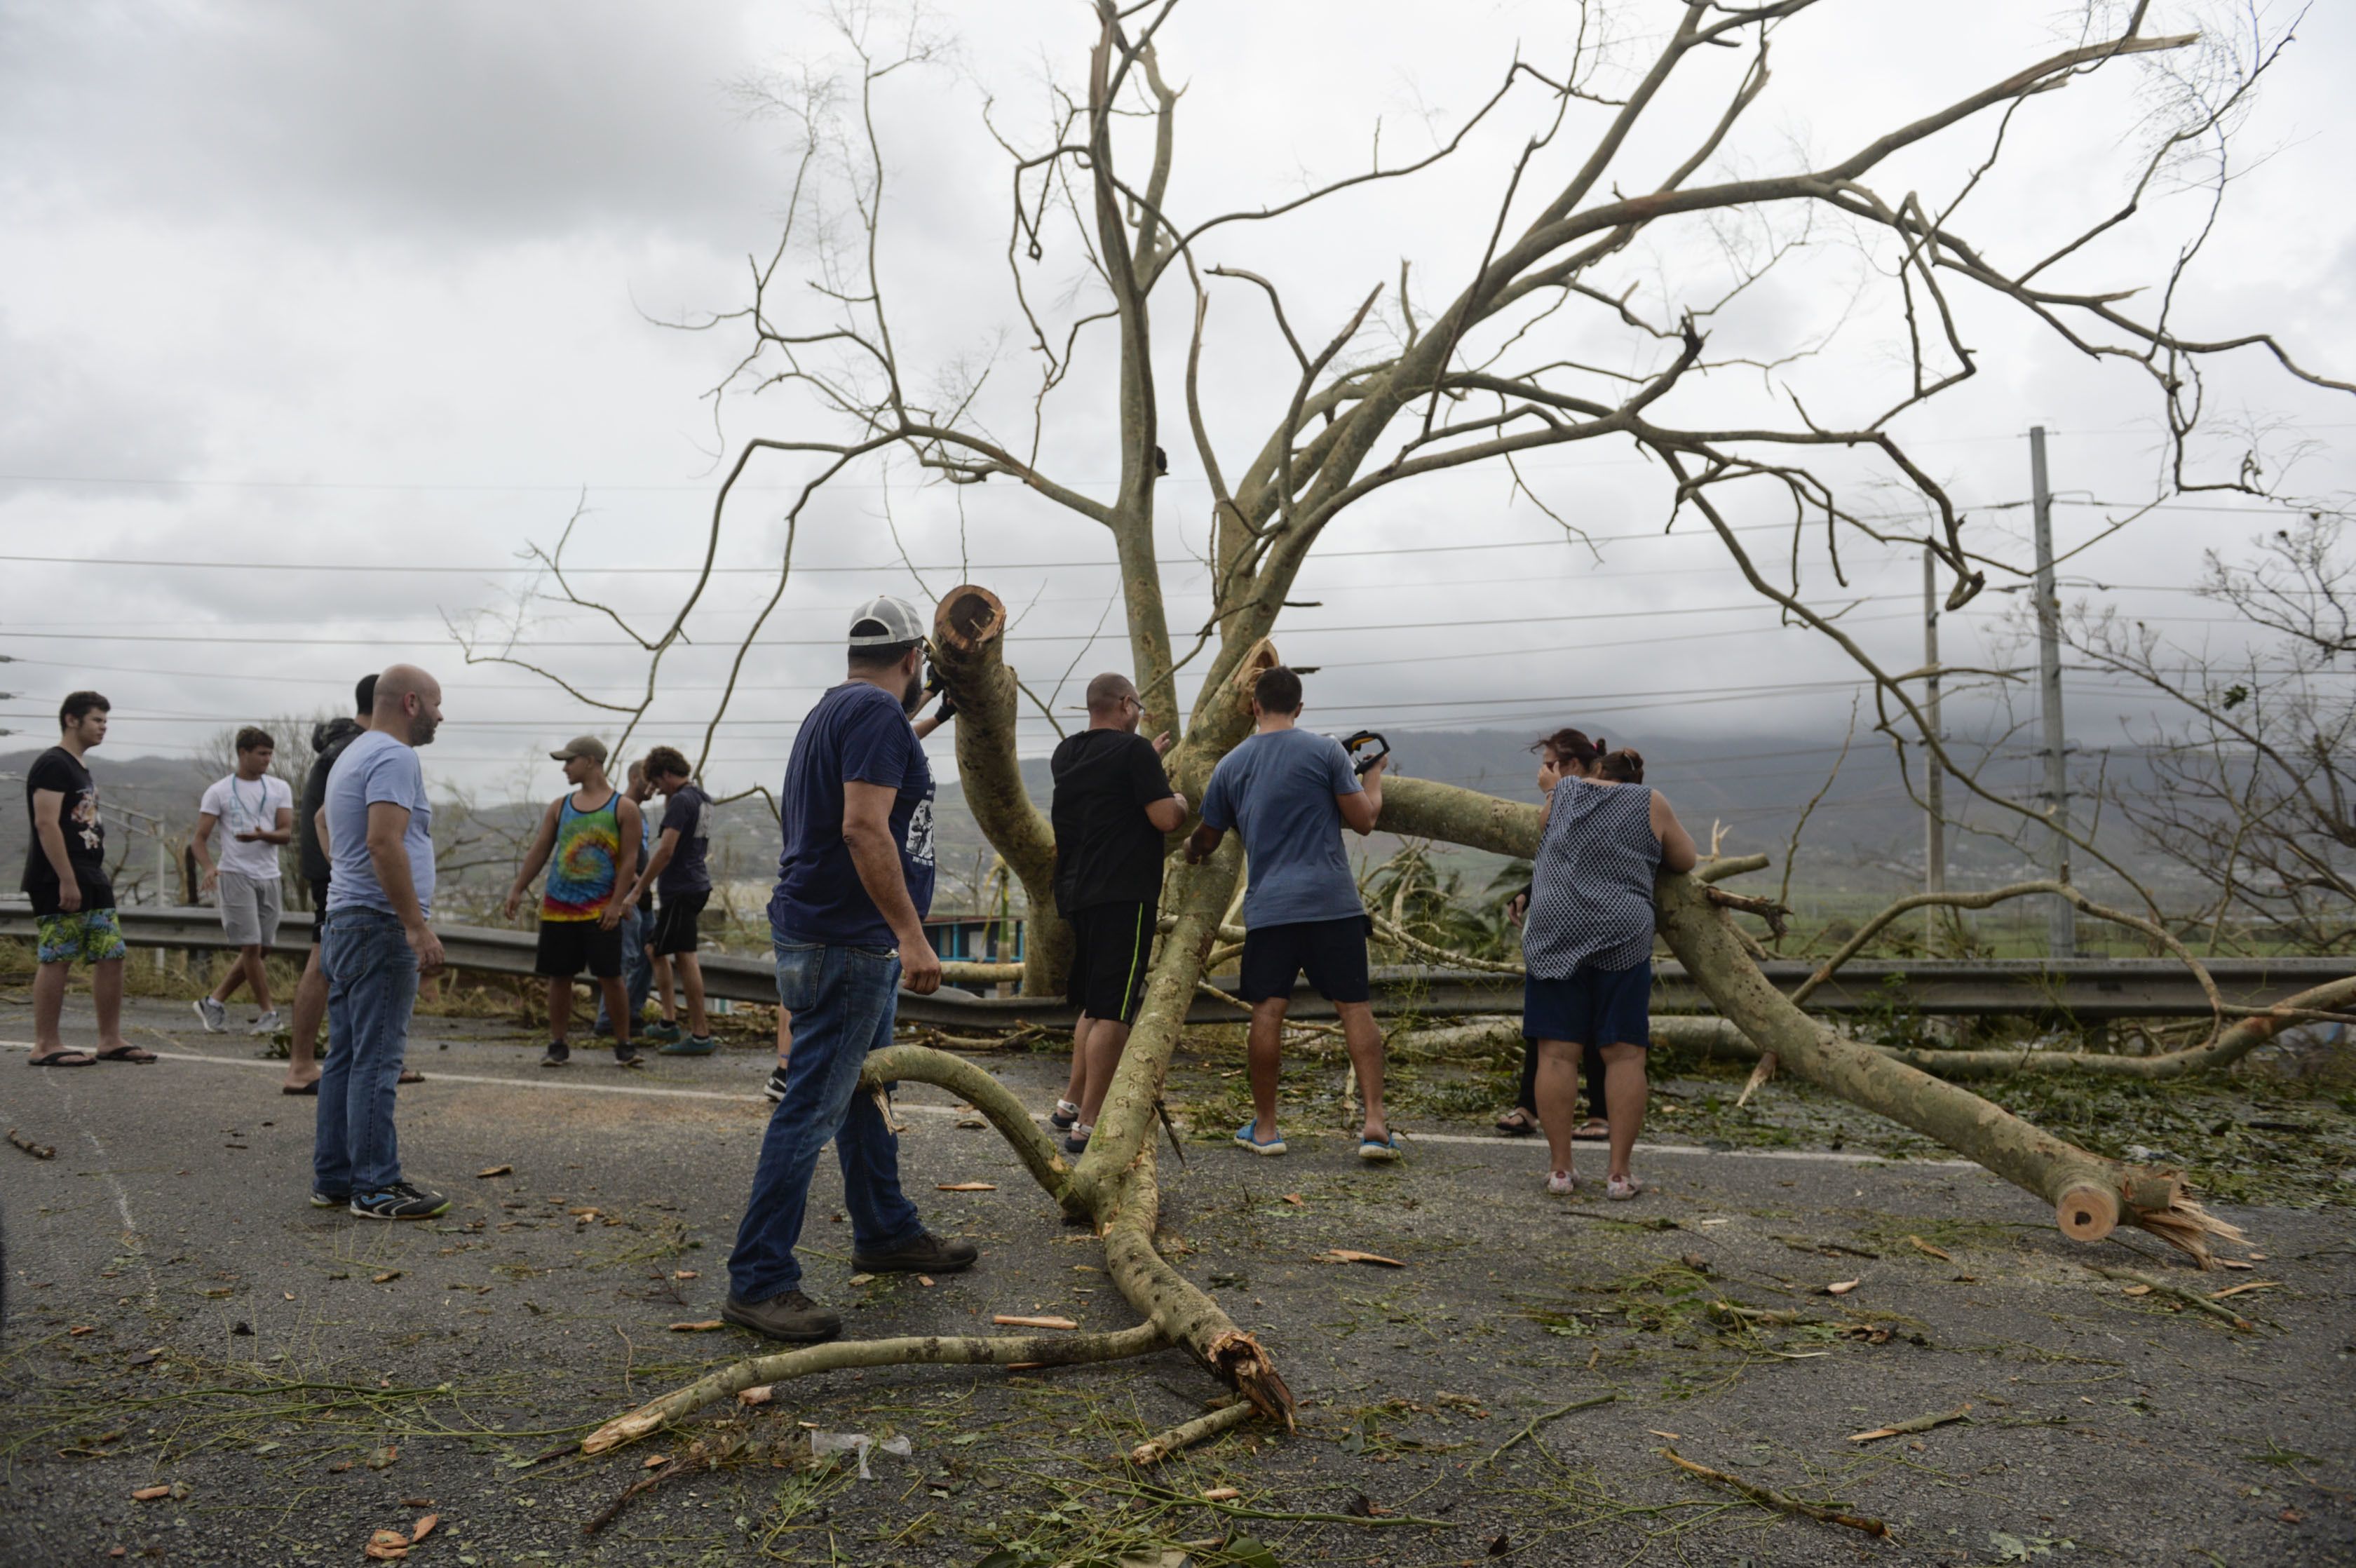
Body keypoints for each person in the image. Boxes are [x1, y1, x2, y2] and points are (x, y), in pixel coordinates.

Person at [723, 595, 975, 1344]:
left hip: (832, 934)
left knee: (865, 1091)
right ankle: (759, 1278)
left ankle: (885, 1229)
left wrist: (930, 720)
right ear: (911, 661)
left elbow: (879, 775)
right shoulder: (873, 716)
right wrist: (913, 936)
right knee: (812, 1106)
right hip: (849, 940)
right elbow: (864, 825)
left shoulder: (841, 711)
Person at [1184, 665, 1395, 1161]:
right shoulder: (1324, 751)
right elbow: (1364, 820)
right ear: (1299, 708)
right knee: (1355, 1009)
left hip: (1273, 909)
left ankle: (1266, 1129)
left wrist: (1192, 853)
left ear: (1254, 707)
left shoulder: (1231, 766)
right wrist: (1376, 777)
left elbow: (1207, 837)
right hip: (1333, 905)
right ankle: (1375, 1124)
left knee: (1268, 1011)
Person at [1520, 726, 1697, 1201]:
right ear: (1635, 780)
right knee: (1623, 1054)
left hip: (1556, 929)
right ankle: (1619, 1175)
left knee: (1556, 1054)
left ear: (1598, 769)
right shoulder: (1651, 802)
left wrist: (1550, 791)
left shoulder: (1565, 792)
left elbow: (1545, 832)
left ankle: (1560, 1170)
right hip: (1622, 933)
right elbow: (1685, 859)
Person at [314, 663, 449, 1221]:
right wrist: (415, 925)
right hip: (378, 924)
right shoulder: (395, 756)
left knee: (345, 1055)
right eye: (438, 704)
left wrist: (346, 875)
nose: (443, 716)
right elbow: (383, 841)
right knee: (377, 1058)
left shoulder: (353, 752)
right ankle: (375, 1187)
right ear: (412, 702)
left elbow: (325, 819)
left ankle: (336, 1179)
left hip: (347, 918)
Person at [1045, 672, 1188, 1155]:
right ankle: (1091, 1122)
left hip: (1077, 893)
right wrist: (1179, 798)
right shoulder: (1134, 753)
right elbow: (1164, 818)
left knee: (1093, 1003)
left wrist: (1151, 762)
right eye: (1139, 709)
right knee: (1116, 1009)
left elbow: (1110, 795)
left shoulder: (1066, 754)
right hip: (1123, 894)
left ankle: (1070, 1103)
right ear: (1127, 704)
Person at [1495, 741, 1639, 1141]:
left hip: (1602, 930)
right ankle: (1530, 1108)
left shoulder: (1593, 799)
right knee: (1548, 1031)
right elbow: (1557, 860)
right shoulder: (1569, 800)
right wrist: (1528, 890)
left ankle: (1599, 1114)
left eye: (1550, 765)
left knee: (1597, 1030)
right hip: (1563, 929)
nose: (1544, 771)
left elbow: (1588, 856)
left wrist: (1552, 792)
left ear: (1572, 764)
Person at [22, 691, 150, 1067]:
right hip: (58, 876)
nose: (103, 727)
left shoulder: (79, 767)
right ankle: (45, 1044)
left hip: (92, 874)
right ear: (71, 720)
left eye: (106, 721)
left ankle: (109, 1040)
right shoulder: (53, 764)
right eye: (97, 720)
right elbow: (46, 823)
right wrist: (66, 879)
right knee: (58, 956)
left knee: (112, 954)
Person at [503, 736, 643, 1069]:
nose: (565, 768)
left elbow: (629, 860)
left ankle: (624, 1044)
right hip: (559, 907)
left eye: (570, 761)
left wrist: (616, 904)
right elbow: (540, 849)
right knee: (559, 976)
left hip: (600, 910)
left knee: (611, 976)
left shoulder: (624, 807)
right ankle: (558, 1044)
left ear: (590, 762)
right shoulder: (560, 806)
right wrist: (518, 887)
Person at [286, 675, 375, 1095]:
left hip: (329, 870)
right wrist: (345, 867)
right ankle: (301, 1066)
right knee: (323, 963)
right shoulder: (353, 750)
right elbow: (328, 817)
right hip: (338, 873)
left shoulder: (341, 747)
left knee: (331, 963)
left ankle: (348, 1063)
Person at [191, 726, 296, 1036]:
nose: (267, 760)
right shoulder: (219, 791)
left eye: (270, 754)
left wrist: (262, 835)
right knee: (251, 948)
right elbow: (198, 839)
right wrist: (209, 868)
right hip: (236, 874)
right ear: (243, 753)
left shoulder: (279, 787)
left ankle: (213, 1001)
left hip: (270, 876)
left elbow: (286, 833)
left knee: (261, 950)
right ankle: (269, 1014)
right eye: (261, 754)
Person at [630, 746, 715, 1055]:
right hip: (693, 884)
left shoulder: (680, 801)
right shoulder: (701, 797)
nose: (655, 788)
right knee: (655, 948)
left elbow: (666, 851)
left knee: (685, 956)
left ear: (666, 774)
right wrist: (657, 788)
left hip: (682, 888)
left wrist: (638, 888)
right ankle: (668, 1023)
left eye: (656, 781)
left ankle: (700, 1035)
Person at [594, 759, 658, 1043]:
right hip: (627, 897)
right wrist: (632, 885)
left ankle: (632, 1014)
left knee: (649, 957)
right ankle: (608, 1021)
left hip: (643, 897)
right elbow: (614, 854)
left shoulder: (640, 815)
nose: (654, 788)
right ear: (635, 778)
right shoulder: (617, 809)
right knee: (626, 958)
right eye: (650, 781)